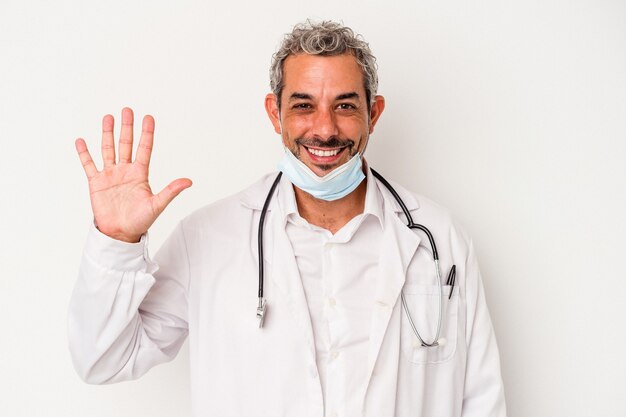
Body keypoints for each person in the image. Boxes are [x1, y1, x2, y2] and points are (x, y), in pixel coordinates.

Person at [69, 21, 507, 417]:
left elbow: (482, 400)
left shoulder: (439, 238)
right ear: (274, 113)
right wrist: (116, 241)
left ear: (373, 114)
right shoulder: (207, 239)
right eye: (303, 105)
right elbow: (103, 358)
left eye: (345, 106)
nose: (324, 129)